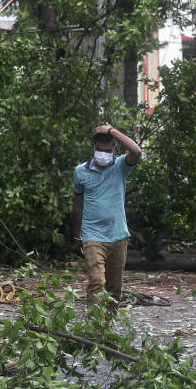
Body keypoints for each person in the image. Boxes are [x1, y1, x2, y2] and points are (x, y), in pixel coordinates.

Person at [72, 123, 141, 313]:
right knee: (96, 281)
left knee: (114, 288)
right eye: (99, 149)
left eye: (107, 149)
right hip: (92, 235)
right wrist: (77, 235)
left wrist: (111, 131)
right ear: (93, 147)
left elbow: (136, 151)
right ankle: (93, 327)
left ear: (114, 149)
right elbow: (78, 205)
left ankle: (106, 330)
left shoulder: (120, 166)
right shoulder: (80, 171)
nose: (102, 152)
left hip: (118, 234)